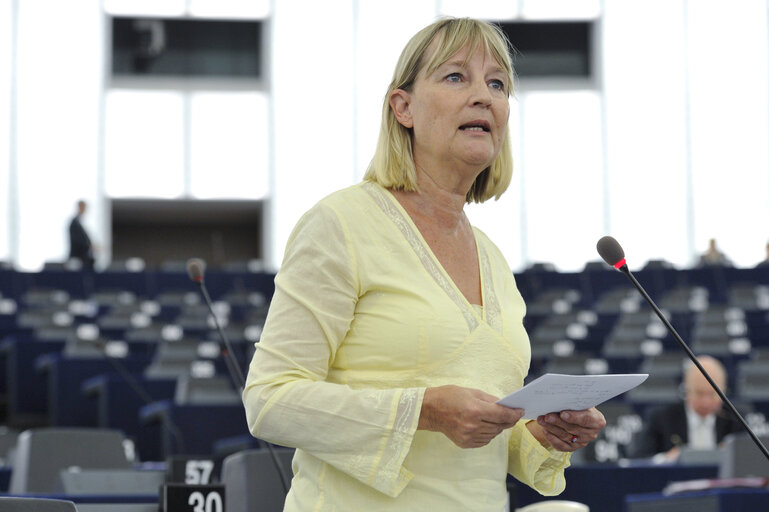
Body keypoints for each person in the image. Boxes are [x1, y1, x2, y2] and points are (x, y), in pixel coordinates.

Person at [243, 17, 606, 510]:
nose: (484, 95)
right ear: (403, 107)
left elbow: (484, 439)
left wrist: (543, 435)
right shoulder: (341, 223)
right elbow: (270, 402)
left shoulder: (494, 260)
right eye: (457, 76)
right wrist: (424, 410)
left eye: (497, 83)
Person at [627, 355, 743, 461]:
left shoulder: (736, 419)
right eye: (699, 393)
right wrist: (666, 458)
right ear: (686, 389)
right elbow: (638, 459)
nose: (705, 402)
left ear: (724, 391)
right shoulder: (662, 418)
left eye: (713, 394)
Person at [68, 200, 95, 271]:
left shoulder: (79, 223)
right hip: (77, 258)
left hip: (82, 259)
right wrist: (89, 246)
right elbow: (77, 240)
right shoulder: (74, 223)